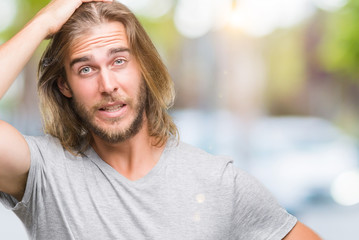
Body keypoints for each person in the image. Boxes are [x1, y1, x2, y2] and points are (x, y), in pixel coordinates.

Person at [0, 0, 321, 239]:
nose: (107, 84)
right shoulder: (44, 173)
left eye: (119, 61)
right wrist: (45, 20)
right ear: (64, 86)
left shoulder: (220, 183)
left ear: (144, 68)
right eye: (86, 69)